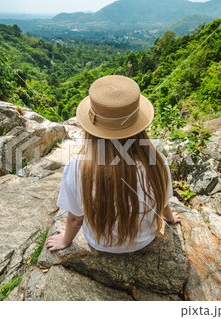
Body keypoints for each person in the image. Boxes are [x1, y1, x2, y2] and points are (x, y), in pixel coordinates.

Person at [45, 75, 181, 253]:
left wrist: (65, 240)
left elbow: (76, 219)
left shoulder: (79, 165)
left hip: (100, 242)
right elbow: (162, 199)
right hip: (144, 239)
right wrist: (169, 219)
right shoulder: (156, 160)